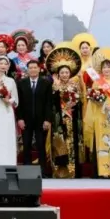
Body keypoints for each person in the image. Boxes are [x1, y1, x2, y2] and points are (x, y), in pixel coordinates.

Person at [46, 47, 82, 178]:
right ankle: (58, 171)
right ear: (58, 74)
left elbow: (79, 102)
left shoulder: (74, 86)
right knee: (58, 142)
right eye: (62, 72)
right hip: (58, 120)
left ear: (70, 73)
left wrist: (71, 106)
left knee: (71, 143)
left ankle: (71, 170)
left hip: (71, 119)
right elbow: (50, 103)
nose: (65, 75)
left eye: (67, 72)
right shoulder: (54, 86)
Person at [17, 60, 53, 174]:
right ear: (27, 70)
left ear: (39, 69)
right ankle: (27, 171)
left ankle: (42, 170)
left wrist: (47, 119)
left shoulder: (46, 83)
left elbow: (49, 103)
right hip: (26, 119)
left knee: (41, 144)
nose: (33, 70)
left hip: (41, 120)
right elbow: (19, 103)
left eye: (35, 67)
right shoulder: (21, 83)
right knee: (26, 144)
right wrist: (20, 118)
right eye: (30, 68)